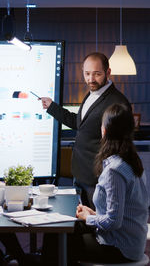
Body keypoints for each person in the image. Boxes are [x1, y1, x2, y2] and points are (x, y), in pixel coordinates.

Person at [42, 103, 149, 266]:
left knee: (57, 241)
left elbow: (114, 222)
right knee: (58, 233)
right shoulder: (132, 161)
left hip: (120, 248)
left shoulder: (115, 169)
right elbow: (119, 211)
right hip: (131, 243)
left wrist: (89, 218)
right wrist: (92, 213)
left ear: (104, 130)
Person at [41, 52, 131, 209]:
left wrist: (106, 176)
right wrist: (52, 107)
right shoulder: (91, 94)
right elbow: (80, 124)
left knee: (96, 226)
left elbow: (121, 146)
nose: (91, 79)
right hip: (80, 173)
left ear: (108, 72)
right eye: (87, 74)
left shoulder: (118, 103)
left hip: (97, 178)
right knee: (79, 225)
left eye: (97, 74)